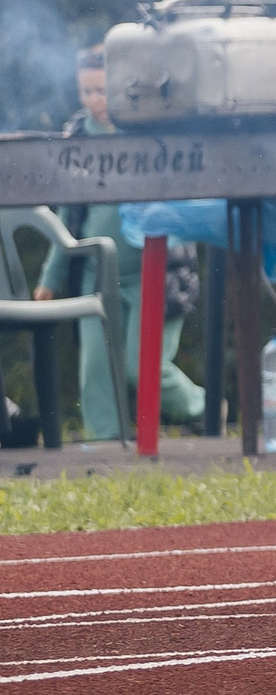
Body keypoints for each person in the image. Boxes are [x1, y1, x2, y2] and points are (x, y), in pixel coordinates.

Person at [33, 46, 206, 439]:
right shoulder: (77, 136)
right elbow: (68, 214)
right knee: (96, 370)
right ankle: (104, 449)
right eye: (87, 91)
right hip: (98, 273)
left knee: (139, 367)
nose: (96, 101)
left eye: (103, 91)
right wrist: (50, 277)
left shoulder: (149, 128)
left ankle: (201, 406)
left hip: (156, 272)